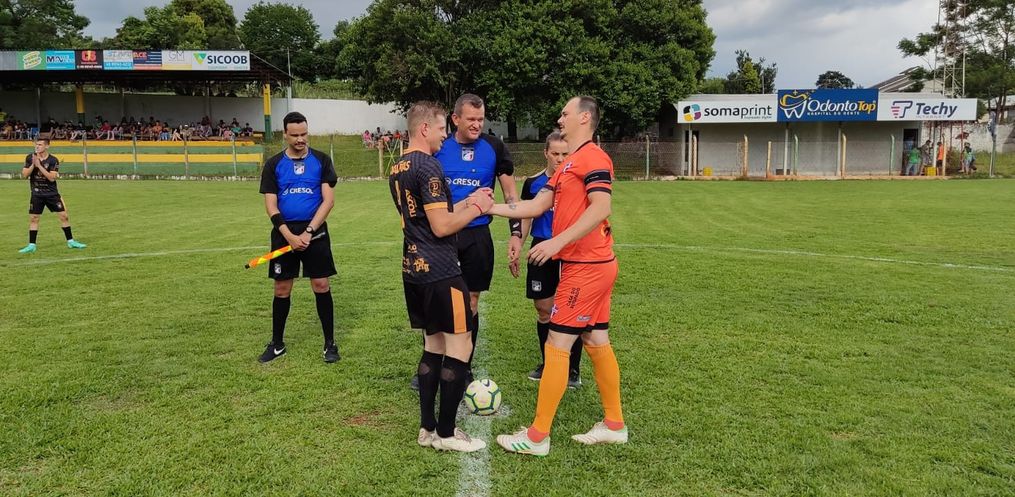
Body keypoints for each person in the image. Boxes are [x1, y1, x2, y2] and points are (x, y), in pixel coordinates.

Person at [486, 96, 627, 456]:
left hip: (587, 267)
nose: (559, 118)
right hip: (592, 265)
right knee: (595, 339)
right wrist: (492, 207)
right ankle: (614, 425)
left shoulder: (594, 157)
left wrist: (556, 242)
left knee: (557, 344)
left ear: (584, 118)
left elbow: (602, 207)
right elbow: (536, 205)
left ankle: (537, 437)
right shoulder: (569, 164)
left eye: (565, 113)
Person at [390, 101, 493, 452]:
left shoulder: (398, 165)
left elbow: (429, 215)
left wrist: (470, 200)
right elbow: (441, 225)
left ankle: (427, 429)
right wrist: (477, 209)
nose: (444, 136)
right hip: (441, 270)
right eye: (440, 129)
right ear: (424, 129)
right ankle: (447, 434)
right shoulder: (429, 165)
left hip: (413, 269)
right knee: (460, 346)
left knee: (433, 345)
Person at [411, 93, 519, 389]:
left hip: (477, 236)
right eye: (470, 119)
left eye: (481, 119)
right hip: (442, 235)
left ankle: (463, 365)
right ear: (455, 119)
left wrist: (516, 233)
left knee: (470, 301)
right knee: (436, 302)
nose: (476, 125)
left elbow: (511, 195)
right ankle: (431, 362)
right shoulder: (438, 146)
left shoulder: (494, 147)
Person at [257, 112, 340, 364]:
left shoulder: (322, 160)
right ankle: (277, 344)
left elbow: (328, 201)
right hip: (284, 233)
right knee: (282, 288)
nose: (300, 139)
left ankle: (330, 344)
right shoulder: (273, 165)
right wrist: (289, 236)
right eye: (295, 135)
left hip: (315, 233)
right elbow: (271, 206)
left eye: (304, 134)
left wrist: (308, 232)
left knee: (321, 285)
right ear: (285, 134)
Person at [512, 131, 583, 388]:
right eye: (555, 154)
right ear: (546, 153)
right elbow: (527, 216)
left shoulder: (578, 181)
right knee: (544, 309)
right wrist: (517, 243)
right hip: (541, 249)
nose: (560, 159)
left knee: (571, 311)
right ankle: (549, 364)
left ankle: (572, 370)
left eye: (565, 154)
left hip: (571, 250)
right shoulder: (533, 183)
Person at [18, 138, 87, 254]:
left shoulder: (53, 160)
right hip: (37, 194)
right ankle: (31, 245)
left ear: (47, 146)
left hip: (51, 194)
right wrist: (33, 164)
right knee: (34, 218)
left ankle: (71, 242)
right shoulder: (30, 157)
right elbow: (24, 175)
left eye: (40, 145)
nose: (37, 146)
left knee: (64, 216)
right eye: (36, 144)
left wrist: (39, 166)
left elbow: (52, 178)